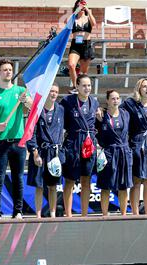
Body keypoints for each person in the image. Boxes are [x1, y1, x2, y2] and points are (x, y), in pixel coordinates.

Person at [0, 59, 32, 219]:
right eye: (5, 69)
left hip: (18, 141)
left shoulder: (20, 90)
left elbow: (29, 107)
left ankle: (18, 211)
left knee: (18, 178)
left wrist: (26, 101)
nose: (8, 72)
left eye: (10, 69)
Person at [61, 74, 100, 217]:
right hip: (74, 142)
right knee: (70, 180)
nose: (87, 88)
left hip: (89, 143)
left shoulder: (94, 102)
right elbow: (61, 122)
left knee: (86, 180)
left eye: (89, 85)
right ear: (77, 86)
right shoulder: (67, 101)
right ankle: (68, 214)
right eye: (84, 85)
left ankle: (84, 214)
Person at [121, 79, 147, 215]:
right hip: (137, 143)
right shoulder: (129, 104)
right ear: (138, 89)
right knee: (137, 180)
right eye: (144, 86)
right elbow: (117, 113)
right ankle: (135, 213)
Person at [26, 84, 64, 218]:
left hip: (54, 153)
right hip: (40, 151)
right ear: (46, 93)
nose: (53, 94)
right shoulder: (37, 110)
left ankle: (53, 214)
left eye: (56, 92)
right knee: (39, 186)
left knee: (53, 186)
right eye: (51, 91)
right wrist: (34, 152)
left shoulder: (60, 109)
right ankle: (38, 214)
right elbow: (31, 132)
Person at [96, 90, 133, 216]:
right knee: (105, 186)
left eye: (117, 98)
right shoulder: (102, 116)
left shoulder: (125, 114)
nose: (115, 100)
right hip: (108, 153)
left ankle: (123, 214)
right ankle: (104, 215)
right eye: (113, 98)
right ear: (107, 100)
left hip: (123, 152)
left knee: (123, 186)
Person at [68, 0, 96, 94]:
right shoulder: (73, 18)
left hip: (86, 44)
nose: (82, 7)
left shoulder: (88, 17)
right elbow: (68, 23)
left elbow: (94, 23)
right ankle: (75, 86)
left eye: (84, 5)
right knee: (71, 65)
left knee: (83, 73)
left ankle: (82, 88)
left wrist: (87, 10)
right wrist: (77, 10)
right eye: (80, 5)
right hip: (75, 45)